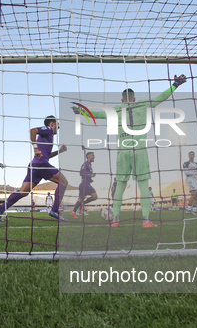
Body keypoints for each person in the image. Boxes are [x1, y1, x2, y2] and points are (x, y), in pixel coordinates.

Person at [76, 74, 187, 228]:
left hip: (123, 152)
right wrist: (176, 84)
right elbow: (161, 97)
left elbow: (98, 114)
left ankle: (115, 219)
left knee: (120, 186)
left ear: (122, 100)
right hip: (139, 150)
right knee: (143, 186)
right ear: (134, 99)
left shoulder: (116, 110)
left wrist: (81, 111)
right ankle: (146, 220)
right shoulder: (143, 104)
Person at [0, 116, 68, 227]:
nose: (59, 127)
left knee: (23, 191)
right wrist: (35, 148)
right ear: (52, 124)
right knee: (64, 182)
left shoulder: (48, 137)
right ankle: (55, 210)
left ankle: (0, 209)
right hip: (41, 164)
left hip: (34, 165)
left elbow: (47, 155)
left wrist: (59, 151)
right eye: (58, 124)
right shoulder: (48, 130)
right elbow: (33, 130)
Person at [71, 152, 98, 218]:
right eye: (92, 155)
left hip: (88, 184)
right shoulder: (85, 164)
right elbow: (81, 173)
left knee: (95, 197)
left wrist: (90, 179)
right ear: (88, 156)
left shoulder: (90, 165)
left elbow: (86, 175)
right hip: (84, 185)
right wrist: (90, 175)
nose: (94, 157)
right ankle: (73, 212)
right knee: (80, 199)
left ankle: (82, 204)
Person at [183, 151, 197, 215]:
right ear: (188, 156)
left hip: (195, 180)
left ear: (194, 155)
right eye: (190, 154)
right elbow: (186, 173)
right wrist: (196, 173)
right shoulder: (186, 163)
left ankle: (194, 210)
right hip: (190, 179)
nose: (191, 155)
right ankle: (188, 209)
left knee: (196, 196)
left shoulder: (196, 164)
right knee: (193, 194)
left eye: (192, 154)